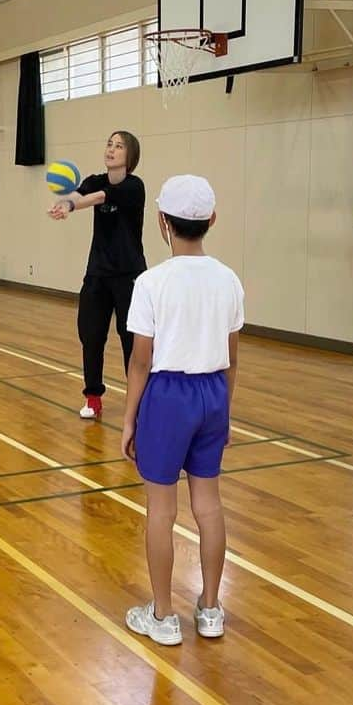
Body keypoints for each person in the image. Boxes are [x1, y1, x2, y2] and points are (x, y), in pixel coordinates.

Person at [120, 175, 243, 645]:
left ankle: (164, 615)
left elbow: (141, 359)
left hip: (167, 398)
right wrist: (226, 409)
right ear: (211, 220)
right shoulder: (228, 280)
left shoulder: (151, 282)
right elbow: (232, 356)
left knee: (161, 509)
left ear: (162, 223)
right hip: (213, 393)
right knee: (208, 507)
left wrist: (130, 417)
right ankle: (210, 609)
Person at [48, 131, 146, 419]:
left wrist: (72, 205)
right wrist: (66, 204)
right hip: (97, 274)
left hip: (129, 275)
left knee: (131, 339)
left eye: (119, 146)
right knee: (90, 335)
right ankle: (93, 397)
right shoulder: (95, 180)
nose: (111, 150)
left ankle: (138, 401)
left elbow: (99, 198)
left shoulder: (134, 187)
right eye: (109, 144)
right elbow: (82, 193)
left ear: (130, 156)